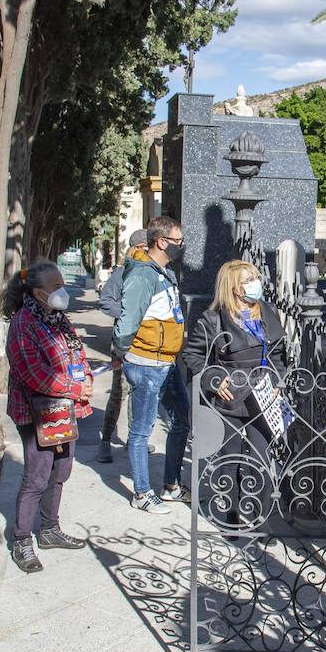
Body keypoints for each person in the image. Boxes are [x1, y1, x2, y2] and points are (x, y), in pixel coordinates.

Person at [0, 260, 92, 573]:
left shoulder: (58, 318)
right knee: (37, 475)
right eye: (56, 288)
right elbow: (34, 375)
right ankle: (22, 539)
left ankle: (50, 529)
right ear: (38, 293)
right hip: (36, 410)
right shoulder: (24, 323)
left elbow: (77, 352)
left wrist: (86, 378)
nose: (62, 292)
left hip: (64, 408)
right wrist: (76, 388)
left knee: (61, 469)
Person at [182, 260, 288, 528]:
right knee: (229, 458)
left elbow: (278, 354)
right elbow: (193, 355)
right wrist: (214, 379)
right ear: (233, 287)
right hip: (229, 397)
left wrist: (277, 380)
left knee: (260, 457)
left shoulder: (267, 312)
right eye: (248, 279)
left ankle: (255, 514)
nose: (256, 283)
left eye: (256, 277)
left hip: (263, 395)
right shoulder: (213, 319)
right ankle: (229, 513)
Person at [112, 215, 191, 514]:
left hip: (166, 361)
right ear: (162, 242)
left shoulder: (164, 271)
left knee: (181, 419)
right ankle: (142, 493)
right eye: (178, 241)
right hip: (146, 362)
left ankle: (170, 485)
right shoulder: (143, 275)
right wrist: (120, 351)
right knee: (142, 430)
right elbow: (127, 321)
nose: (182, 246)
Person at [96, 228, 147, 463]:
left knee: (141, 393)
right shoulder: (123, 272)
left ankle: (134, 441)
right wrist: (129, 316)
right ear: (136, 249)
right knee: (119, 392)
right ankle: (105, 441)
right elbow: (106, 301)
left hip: (147, 343)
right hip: (125, 342)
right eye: (146, 249)